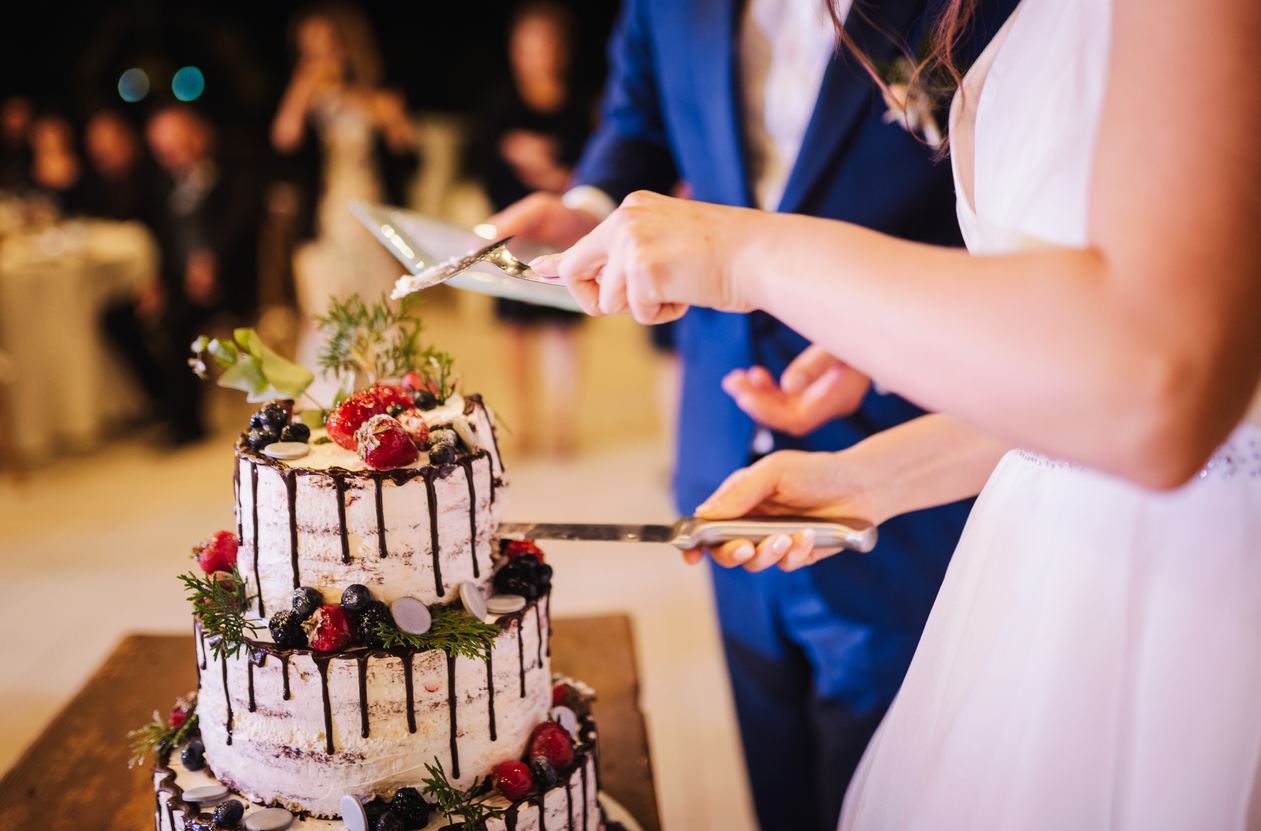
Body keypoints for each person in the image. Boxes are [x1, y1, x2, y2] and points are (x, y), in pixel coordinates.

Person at [532, 0, 1261, 826]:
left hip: (1201, 611)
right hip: (1041, 572)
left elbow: (1159, 387)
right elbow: (1087, 378)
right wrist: (868, 476)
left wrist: (747, 253)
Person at [490, 0, 1014, 827]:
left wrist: (877, 339)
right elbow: (638, 120)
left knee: (896, 766)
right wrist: (587, 211)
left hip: (921, 427)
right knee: (768, 751)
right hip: (723, 423)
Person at [271, 1, 417, 394]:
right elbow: (283, 141)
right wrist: (304, 85)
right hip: (322, 225)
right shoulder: (304, 101)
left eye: (327, 43)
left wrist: (376, 108)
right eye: (309, 46)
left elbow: (409, 152)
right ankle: (328, 410)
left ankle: (390, 405)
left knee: (383, 315)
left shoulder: (378, 95)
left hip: (374, 218)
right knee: (326, 319)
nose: (320, 55)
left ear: (349, 45)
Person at [479, 0, 594, 457]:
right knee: (516, 334)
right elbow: (485, 170)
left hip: (565, 236)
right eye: (527, 45)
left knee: (563, 332)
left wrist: (550, 175)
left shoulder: (581, 105)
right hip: (513, 238)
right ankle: (523, 424)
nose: (537, 55)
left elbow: (595, 175)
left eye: (546, 44)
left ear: (562, 50)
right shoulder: (500, 104)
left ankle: (562, 426)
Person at [108, 104, 259, 444]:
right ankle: (163, 400)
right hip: (181, 280)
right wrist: (157, 282)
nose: (170, 153)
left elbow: (244, 223)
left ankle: (188, 422)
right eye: (162, 147)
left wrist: (214, 262)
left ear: (199, 134)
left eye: (176, 142)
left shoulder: (233, 170)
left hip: (230, 281)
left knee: (174, 322)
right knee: (116, 317)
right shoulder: (165, 185)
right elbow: (165, 240)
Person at [81, 109, 151, 223]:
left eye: (107, 140)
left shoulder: (150, 180)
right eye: (95, 141)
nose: (100, 149)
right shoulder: (92, 184)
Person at [26, 112, 86, 215]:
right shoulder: (28, 165)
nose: (48, 141)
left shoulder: (77, 166)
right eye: (42, 136)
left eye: (53, 134)